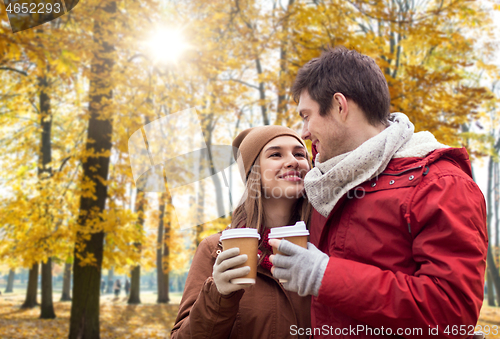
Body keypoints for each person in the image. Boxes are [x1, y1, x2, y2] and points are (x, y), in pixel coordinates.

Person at [269, 47, 488, 339]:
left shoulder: (441, 184)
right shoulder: (325, 184)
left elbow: (452, 312)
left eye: (307, 116)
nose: (305, 131)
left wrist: (325, 275)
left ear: (339, 106)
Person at [171, 125, 313, 339]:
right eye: (275, 154)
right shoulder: (215, 249)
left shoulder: (328, 242)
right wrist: (218, 294)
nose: (293, 160)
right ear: (253, 172)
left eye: (300, 154)